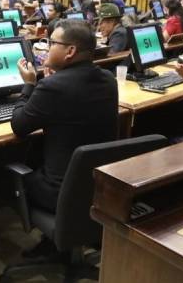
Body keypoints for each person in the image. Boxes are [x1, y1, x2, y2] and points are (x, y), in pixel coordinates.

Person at [12, 19, 118, 213]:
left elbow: (19, 126)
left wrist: (29, 84)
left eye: (51, 43)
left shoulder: (52, 87)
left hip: (57, 191)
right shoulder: (109, 79)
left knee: (2, 176)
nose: (46, 48)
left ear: (70, 51)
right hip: (98, 185)